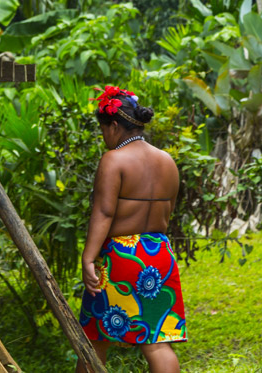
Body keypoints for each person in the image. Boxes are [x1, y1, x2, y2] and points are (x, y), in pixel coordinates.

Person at [76, 86, 186, 373]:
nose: (103, 137)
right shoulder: (167, 161)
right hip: (160, 253)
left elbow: (104, 211)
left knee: (94, 339)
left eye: (103, 129)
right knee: (158, 341)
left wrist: (88, 258)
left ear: (114, 126)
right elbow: (168, 210)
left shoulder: (114, 160)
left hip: (122, 256)